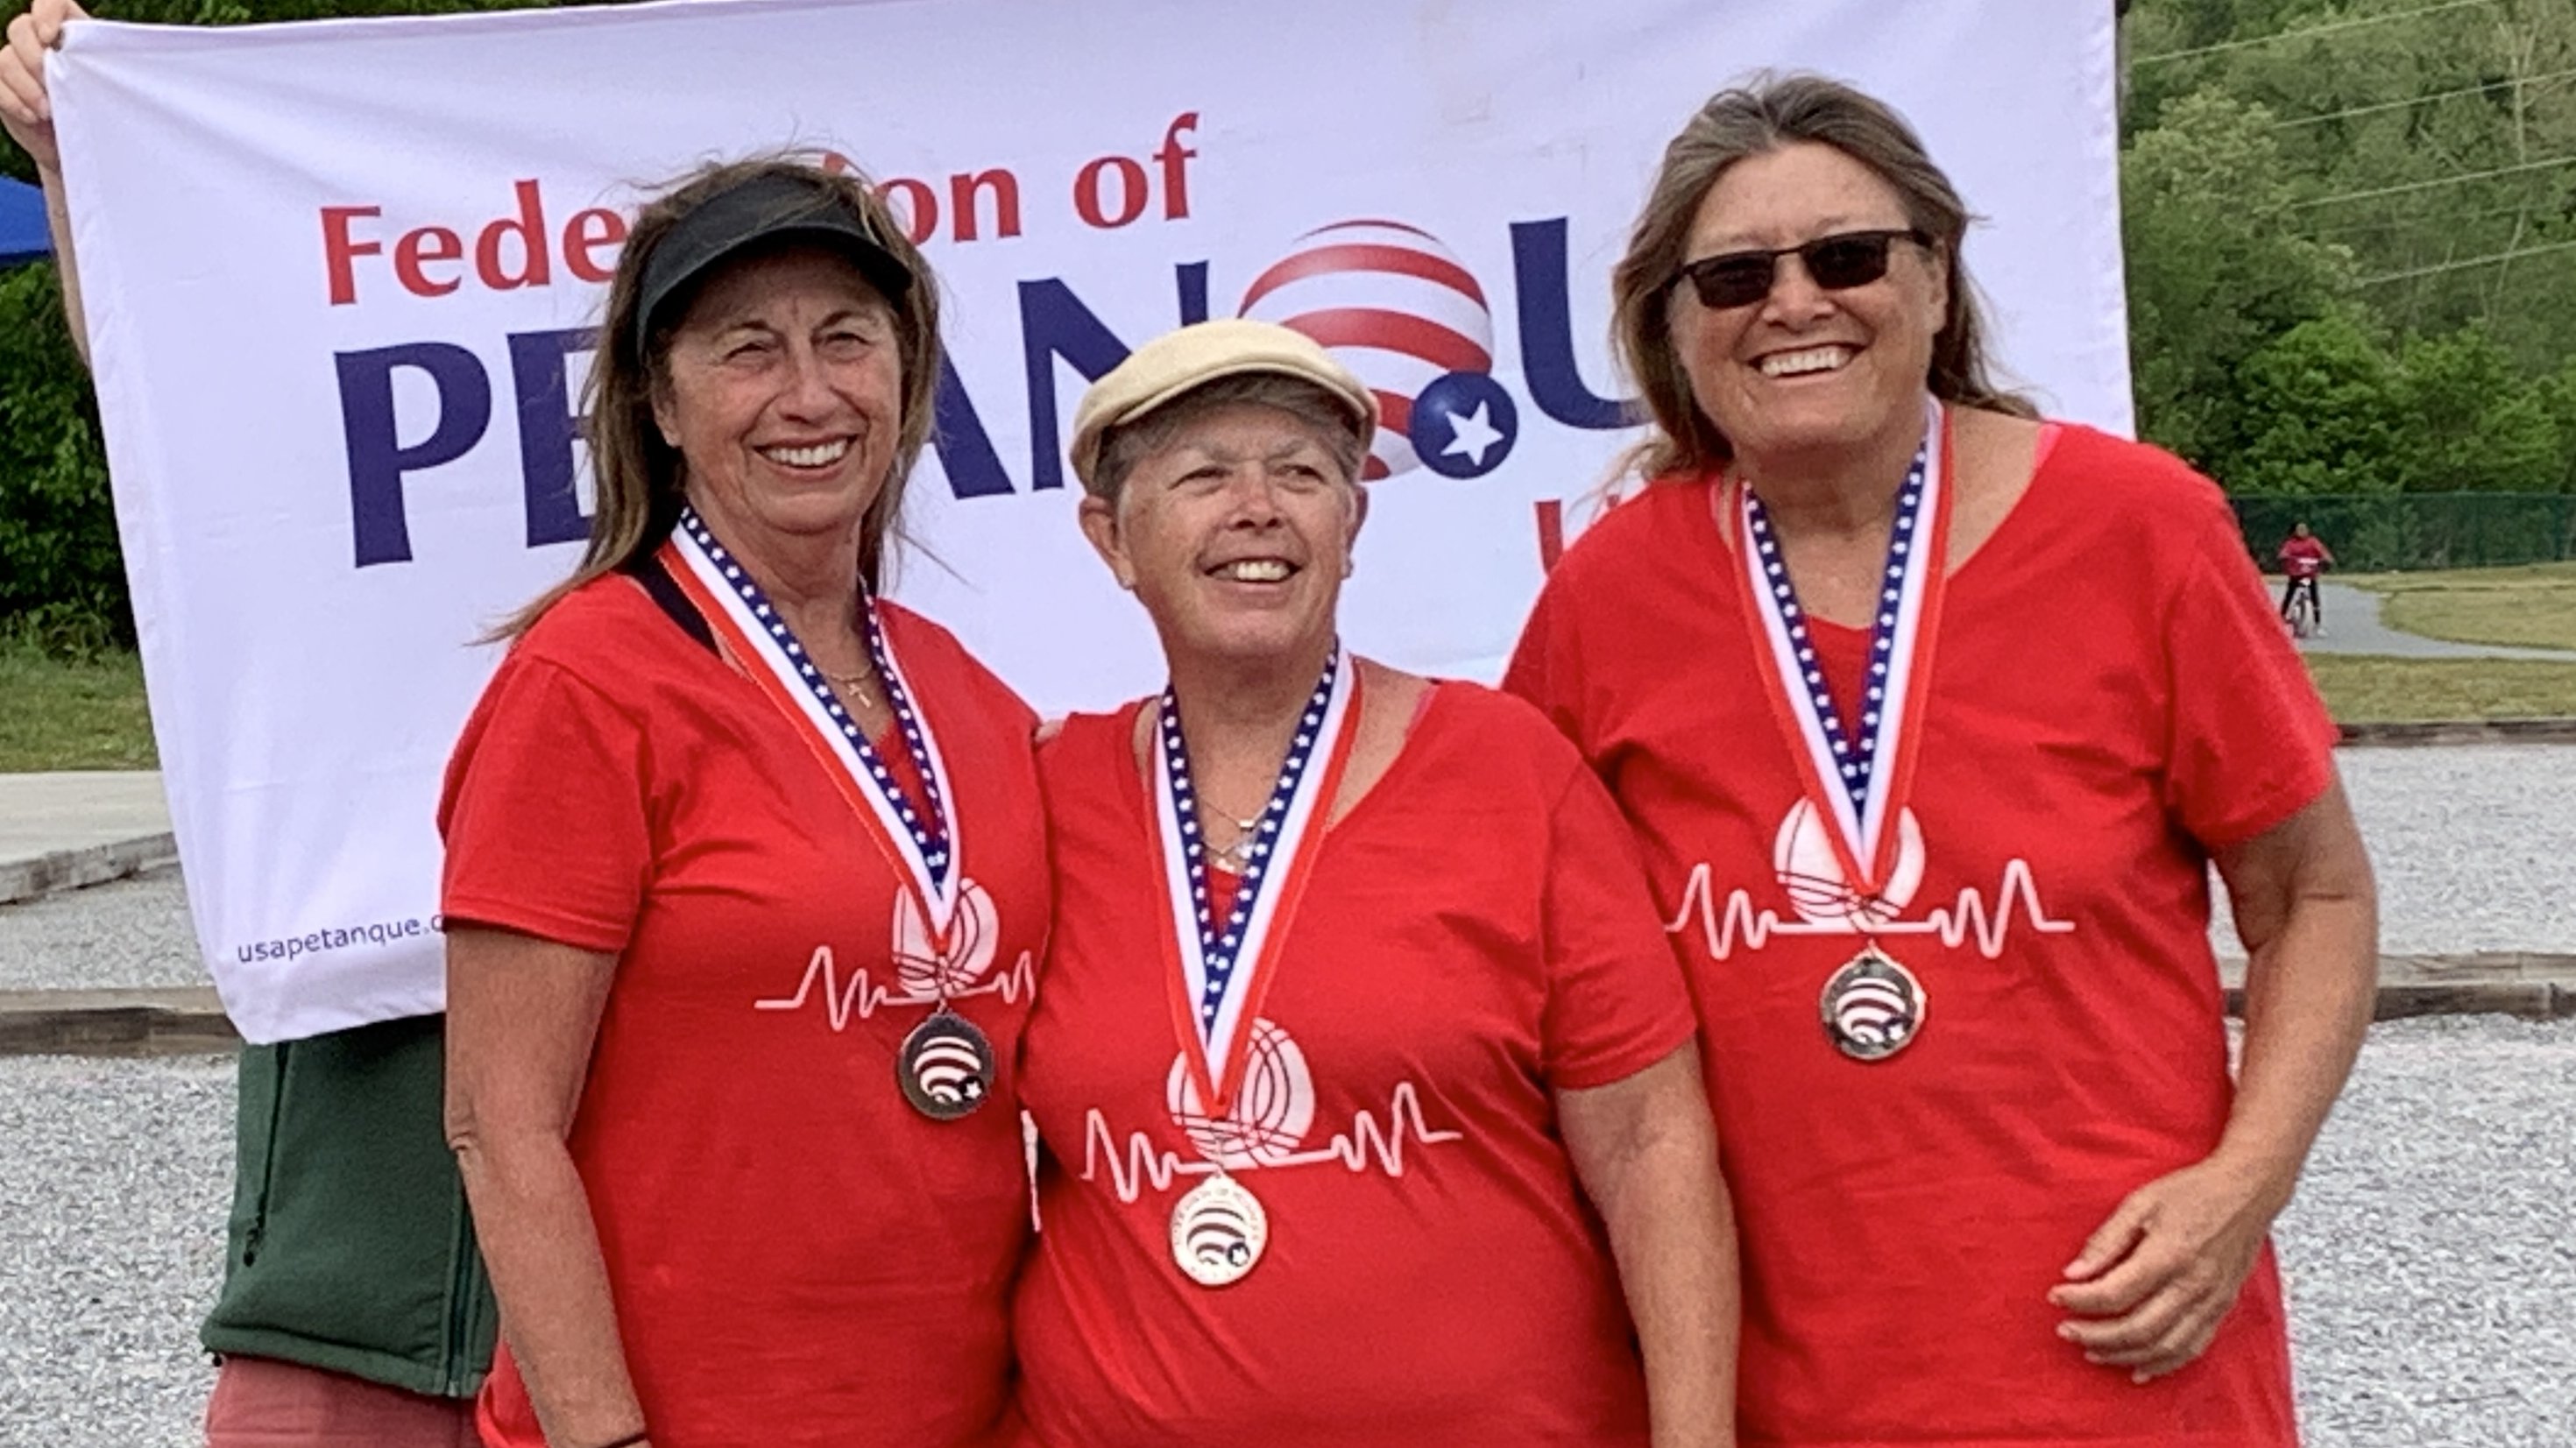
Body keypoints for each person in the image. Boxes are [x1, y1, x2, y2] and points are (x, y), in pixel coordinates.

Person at [1506, 75, 2379, 1446]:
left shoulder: (2140, 531)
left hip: (2122, 1368)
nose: (1794, 303)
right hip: (1778, 1391)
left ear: (1933, 277)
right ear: (1673, 323)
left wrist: (2245, 1183)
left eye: (1847, 256)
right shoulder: (1608, 599)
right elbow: (1529, 983)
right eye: (1734, 276)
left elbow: (2314, 896)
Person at [1008, 318, 1738, 1448]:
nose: (1258, 507)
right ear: (1113, 539)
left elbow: (1651, 1145)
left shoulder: (1508, 768)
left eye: (1301, 474)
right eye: (1204, 476)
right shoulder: (1041, 798)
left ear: (1350, 527)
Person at [437, 159, 1047, 1448]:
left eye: (847, 339)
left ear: (906, 377)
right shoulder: (586, 683)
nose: (809, 394)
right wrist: (603, 1436)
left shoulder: (965, 693)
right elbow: (499, 1125)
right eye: (747, 350)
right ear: (660, 402)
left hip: (960, 1416)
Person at [4, 5, 498, 1444]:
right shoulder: (316, 532)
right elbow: (176, 402)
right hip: (355, 1287)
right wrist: (86, 159)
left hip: (657, 1315)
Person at [2277, 521, 2333, 632]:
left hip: (2310, 574)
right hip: (2296, 574)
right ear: (2295, 531)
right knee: (2290, 594)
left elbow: (2323, 552)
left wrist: (2326, 558)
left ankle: (2317, 623)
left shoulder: (2313, 542)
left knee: (2314, 597)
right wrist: (2284, 556)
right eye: (2300, 529)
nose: (2302, 532)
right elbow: (2284, 553)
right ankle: (2281, 618)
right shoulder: (2291, 544)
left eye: (2304, 529)